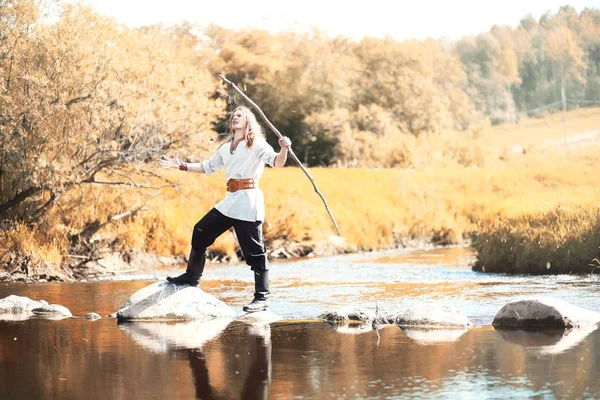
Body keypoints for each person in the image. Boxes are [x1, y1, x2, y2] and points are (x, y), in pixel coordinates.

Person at [160, 106, 291, 312]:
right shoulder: (226, 147)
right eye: (233, 116)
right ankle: (191, 277)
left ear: (248, 121)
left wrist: (284, 148)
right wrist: (181, 165)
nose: (234, 118)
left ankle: (262, 298)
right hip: (230, 201)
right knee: (200, 230)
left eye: (239, 115)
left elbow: (277, 162)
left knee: (255, 252)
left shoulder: (257, 144)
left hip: (248, 202)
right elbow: (207, 167)